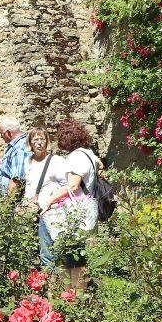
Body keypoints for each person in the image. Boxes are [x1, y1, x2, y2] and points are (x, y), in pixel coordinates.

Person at [39, 119, 101, 290]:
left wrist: (51, 200)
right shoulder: (89, 153)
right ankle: (80, 294)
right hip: (85, 210)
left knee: (70, 255)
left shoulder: (76, 156)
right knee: (77, 254)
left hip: (75, 213)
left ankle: (74, 295)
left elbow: (73, 185)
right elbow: (100, 165)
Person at [23, 127, 66, 268]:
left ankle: (53, 286)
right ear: (30, 143)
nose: (39, 143)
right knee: (30, 251)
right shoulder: (28, 162)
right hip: (31, 213)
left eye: (42, 139)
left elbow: (66, 186)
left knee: (48, 252)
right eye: (36, 140)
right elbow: (28, 186)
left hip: (49, 212)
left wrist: (51, 200)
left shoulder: (56, 161)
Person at [0, 115, 31, 199]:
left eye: (2, 134)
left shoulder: (20, 148)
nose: (1, 137)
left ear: (8, 132)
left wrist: (6, 204)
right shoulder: (15, 146)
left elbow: (17, 180)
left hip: (11, 203)